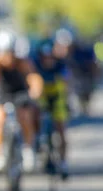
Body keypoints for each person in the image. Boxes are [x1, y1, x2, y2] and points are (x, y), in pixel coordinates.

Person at [0, 29, 44, 175]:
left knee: (25, 116)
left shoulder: (22, 61)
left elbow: (33, 77)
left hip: (19, 92)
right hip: (0, 93)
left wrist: (35, 91)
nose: (7, 57)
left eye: (10, 52)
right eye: (4, 52)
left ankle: (28, 149)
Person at [32, 38, 70, 179]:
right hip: (41, 97)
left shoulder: (60, 65)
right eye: (44, 56)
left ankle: (64, 162)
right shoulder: (35, 65)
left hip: (57, 97)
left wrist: (66, 101)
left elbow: (66, 83)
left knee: (61, 130)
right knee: (34, 115)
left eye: (50, 56)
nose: (47, 60)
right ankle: (37, 142)